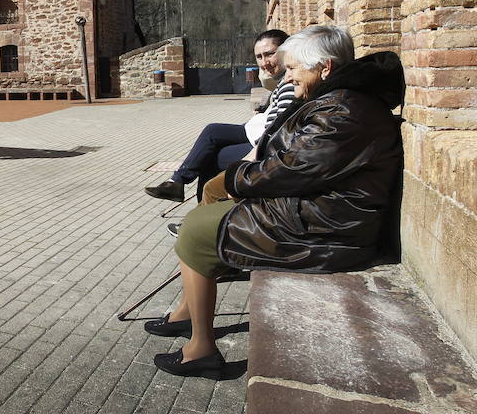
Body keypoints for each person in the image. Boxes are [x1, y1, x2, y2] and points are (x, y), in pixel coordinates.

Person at [146, 25, 404, 378]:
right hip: (321, 214)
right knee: (206, 214)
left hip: (327, 230)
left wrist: (239, 179)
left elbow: (293, 170)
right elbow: (298, 159)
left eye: (295, 68)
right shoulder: (340, 99)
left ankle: (200, 349)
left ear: (325, 67)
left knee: (195, 230)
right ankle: (189, 312)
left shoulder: (343, 109)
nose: (289, 74)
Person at [145, 30, 295, 202]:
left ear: (287, 51)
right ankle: (177, 184)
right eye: (259, 57)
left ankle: (200, 215)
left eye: (269, 54)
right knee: (212, 131)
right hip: (256, 131)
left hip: (264, 146)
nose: (264, 62)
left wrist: (253, 154)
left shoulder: (289, 83)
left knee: (210, 158)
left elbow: (279, 130)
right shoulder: (285, 80)